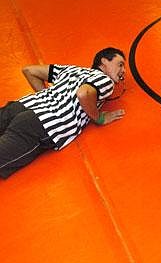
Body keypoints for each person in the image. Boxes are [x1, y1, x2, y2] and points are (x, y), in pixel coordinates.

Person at [0, 47, 126, 179]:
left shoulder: (72, 70)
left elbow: (29, 71)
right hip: (40, 124)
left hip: (21, 106)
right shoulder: (105, 80)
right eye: (120, 64)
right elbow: (84, 93)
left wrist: (46, 100)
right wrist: (99, 118)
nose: (123, 71)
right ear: (104, 62)